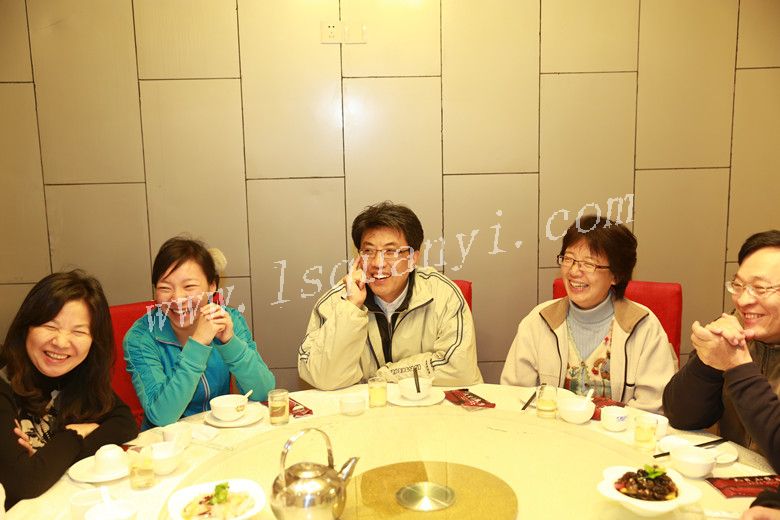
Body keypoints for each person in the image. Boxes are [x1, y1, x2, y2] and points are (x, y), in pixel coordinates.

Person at [500, 215, 677, 413]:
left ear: (616, 275)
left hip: (618, 433)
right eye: (569, 259)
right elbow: (514, 397)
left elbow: (653, 408)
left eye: (589, 263)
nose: (574, 271)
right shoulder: (538, 321)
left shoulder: (643, 327)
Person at [298, 201, 482, 390]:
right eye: (368, 251)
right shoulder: (337, 301)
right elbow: (323, 377)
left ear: (413, 258)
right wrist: (351, 308)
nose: (378, 263)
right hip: (363, 408)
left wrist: (386, 375)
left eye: (391, 252)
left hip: (427, 406)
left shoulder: (443, 294)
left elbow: (460, 369)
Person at [0, 271, 138, 508]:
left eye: (78, 331)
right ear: (26, 327)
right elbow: (24, 482)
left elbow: (124, 423)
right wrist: (74, 434)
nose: (61, 343)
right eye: (50, 326)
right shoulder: (4, 380)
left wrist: (49, 458)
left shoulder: (77, 373)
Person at [124, 237, 275, 428]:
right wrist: (197, 345)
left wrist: (230, 342)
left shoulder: (228, 320)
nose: (177, 298)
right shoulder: (140, 338)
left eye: (189, 286)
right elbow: (161, 416)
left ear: (212, 286)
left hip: (221, 430)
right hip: (169, 440)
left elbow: (263, 392)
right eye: (165, 288)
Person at [663, 230, 780, 471]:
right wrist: (707, 362)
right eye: (739, 285)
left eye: (760, 288)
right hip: (734, 475)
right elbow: (681, 416)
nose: (743, 301)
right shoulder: (733, 329)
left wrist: (738, 367)